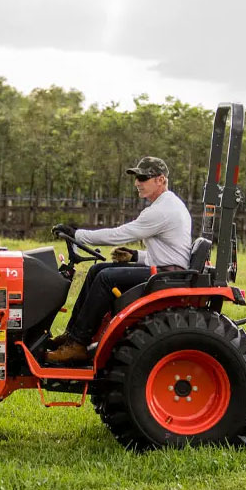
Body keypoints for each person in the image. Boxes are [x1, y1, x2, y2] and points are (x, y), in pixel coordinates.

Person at [46, 156, 192, 364]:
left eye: (142, 178)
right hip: (165, 268)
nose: (137, 183)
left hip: (165, 275)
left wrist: (77, 235)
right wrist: (136, 256)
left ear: (160, 180)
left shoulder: (162, 210)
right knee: (97, 270)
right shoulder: (168, 205)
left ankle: (78, 344)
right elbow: (169, 252)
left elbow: (119, 235)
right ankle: (73, 336)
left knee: (106, 278)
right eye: (136, 178)